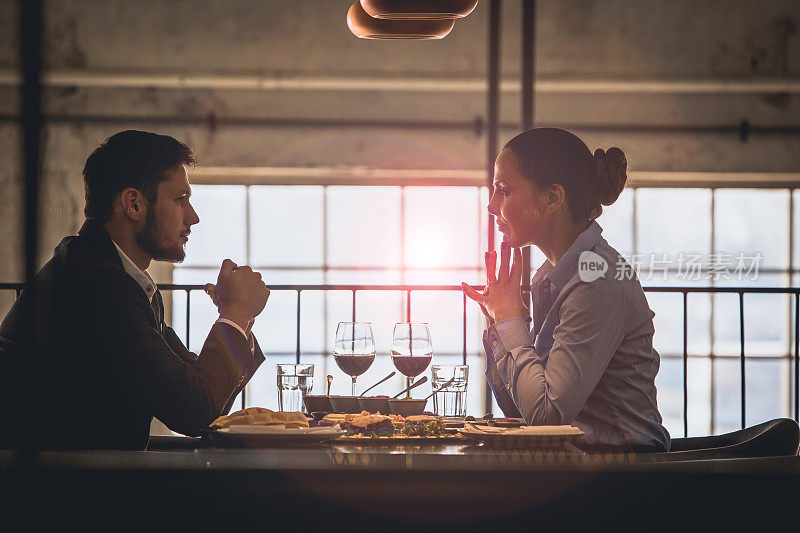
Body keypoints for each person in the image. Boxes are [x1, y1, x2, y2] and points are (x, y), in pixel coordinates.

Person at [0, 130, 269, 450]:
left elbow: (205, 399)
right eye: (180, 199)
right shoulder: (98, 285)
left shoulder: (115, 277)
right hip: (51, 491)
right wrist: (235, 311)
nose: (193, 217)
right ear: (133, 204)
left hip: (79, 482)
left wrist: (239, 319)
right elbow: (192, 411)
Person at [462, 128, 670, 452]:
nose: (491, 206)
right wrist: (499, 322)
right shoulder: (551, 277)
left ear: (553, 198)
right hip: (576, 467)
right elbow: (521, 410)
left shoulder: (596, 280)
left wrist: (510, 321)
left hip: (624, 475)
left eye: (503, 190)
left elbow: (547, 418)